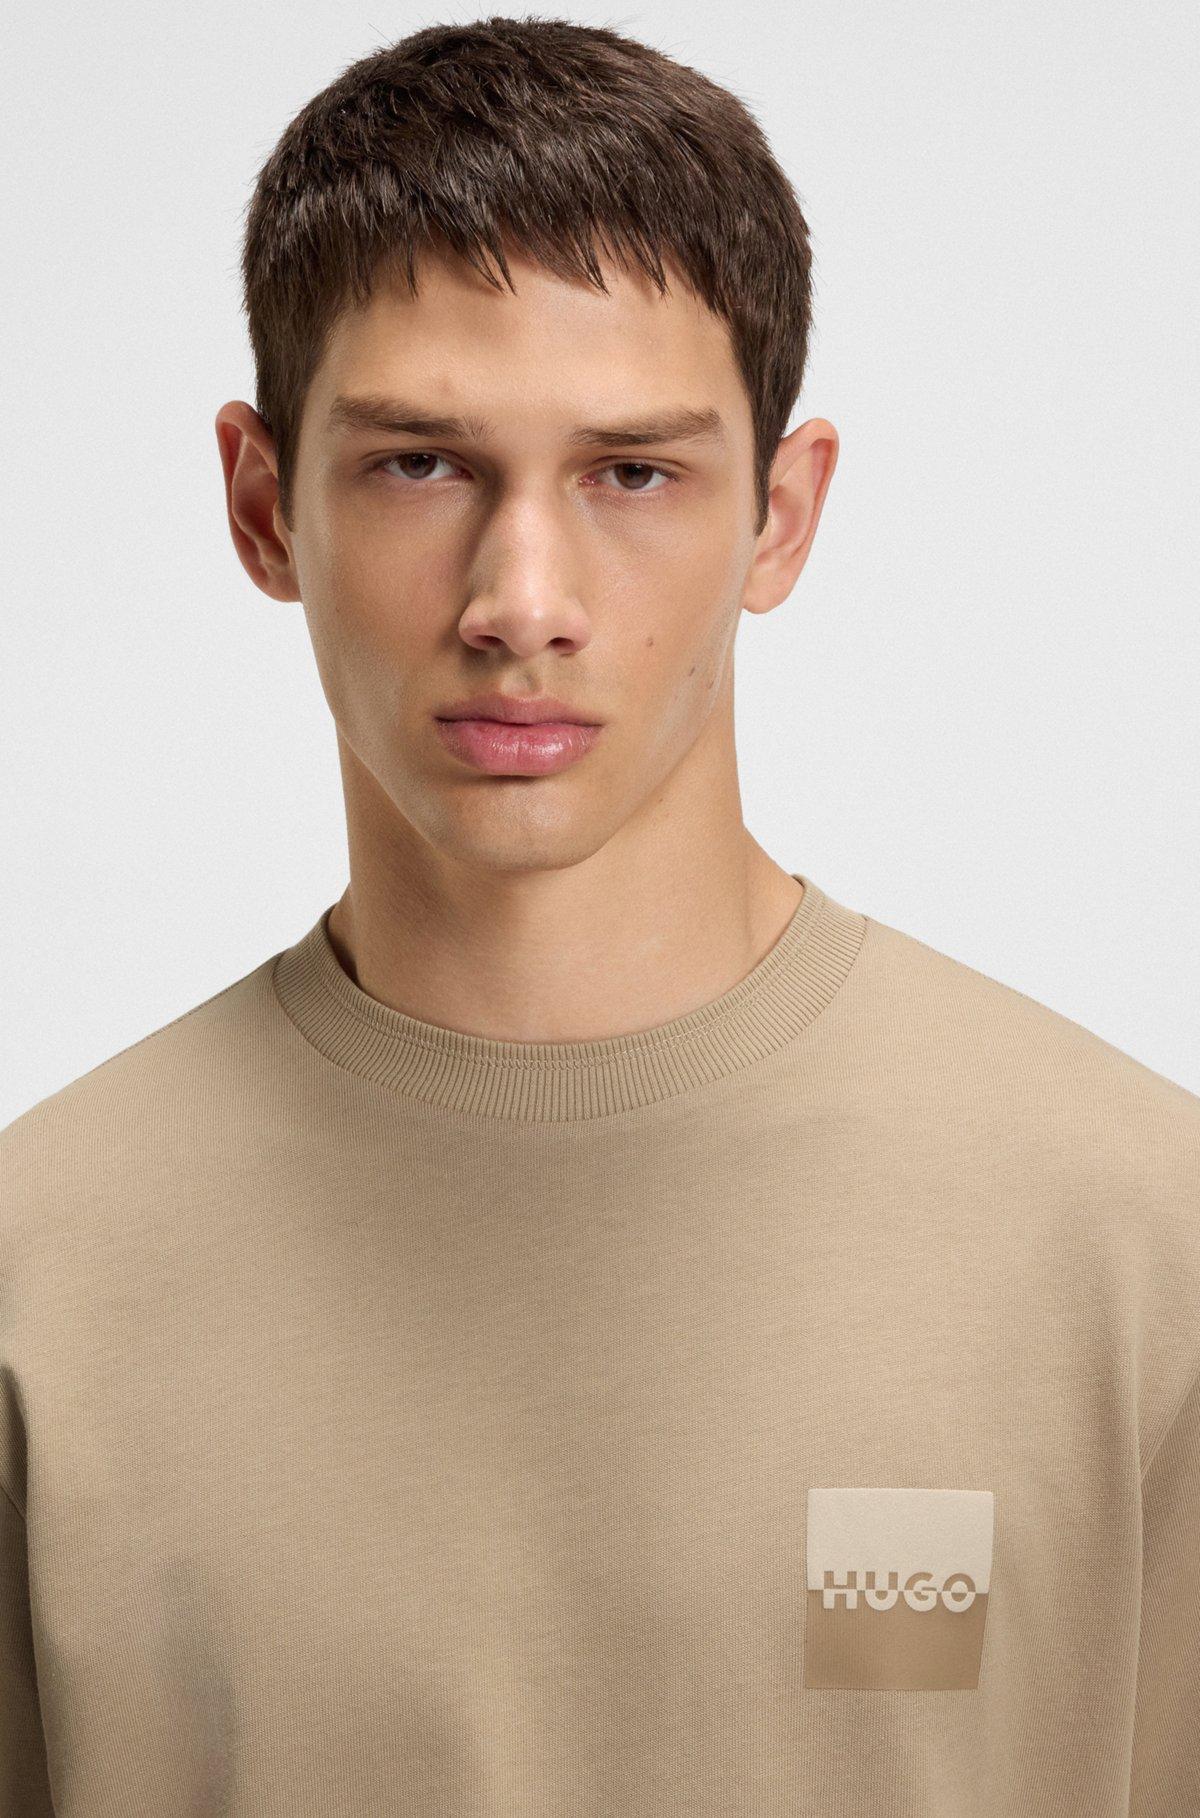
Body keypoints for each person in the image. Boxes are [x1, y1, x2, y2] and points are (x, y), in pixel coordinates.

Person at [2, 16, 1197, 1816]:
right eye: (419, 463)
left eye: (633, 472)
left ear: (781, 517)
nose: (521, 598)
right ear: (262, 505)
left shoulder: (1137, 1251)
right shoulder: (38, 1285)